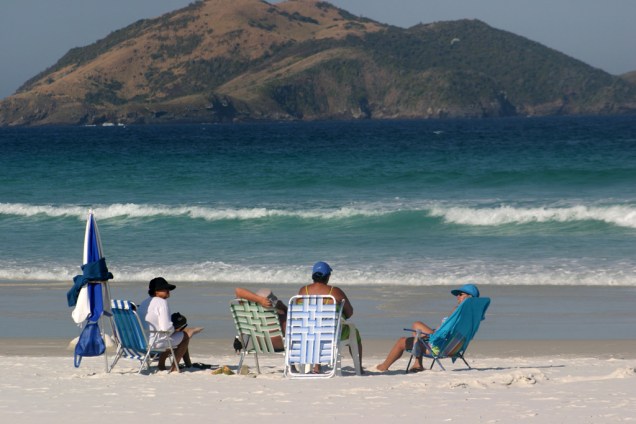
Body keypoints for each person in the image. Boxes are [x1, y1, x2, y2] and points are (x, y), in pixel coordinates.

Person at [373, 283, 480, 372]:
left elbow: (447, 332)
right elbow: (453, 332)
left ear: (469, 297)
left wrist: (435, 332)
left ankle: (385, 366)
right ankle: (417, 363)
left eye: (460, 294)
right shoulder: (473, 316)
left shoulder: (458, 311)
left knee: (405, 338)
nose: (457, 296)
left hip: (439, 348)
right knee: (419, 333)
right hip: (454, 348)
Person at [298, 261, 362, 371]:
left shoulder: (303, 291)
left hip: (308, 334)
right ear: (327, 276)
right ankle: (359, 368)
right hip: (331, 334)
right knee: (354, 333)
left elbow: (299, 314)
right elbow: (350, 312)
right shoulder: (334, 292)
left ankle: (316, 365)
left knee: (315, 328)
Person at [137, 277, 203, 372]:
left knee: (174, 335)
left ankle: (161, 364)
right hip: (154, 343)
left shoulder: (144, 302)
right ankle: (174, 367)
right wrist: (175, 330)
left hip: (141, 341)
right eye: (165, 289)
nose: (168, 291)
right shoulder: (162, 302)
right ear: (156, 291)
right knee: (185, 335)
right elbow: (166, 328)